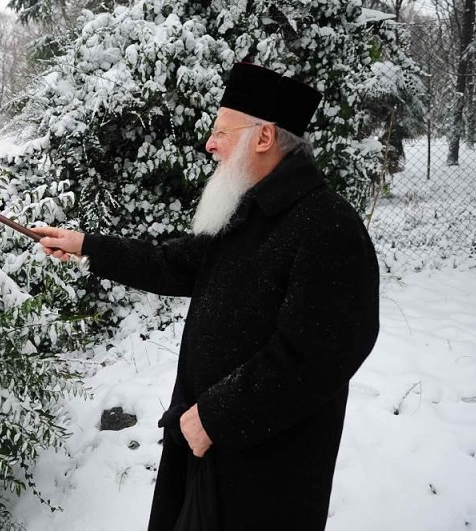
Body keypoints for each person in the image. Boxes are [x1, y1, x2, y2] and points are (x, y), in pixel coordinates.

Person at [33, 63, 380, 531]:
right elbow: (171, 263)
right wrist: (87, 245)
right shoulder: (247, 211)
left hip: (264, 474)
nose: (209, 144)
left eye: (221, 131)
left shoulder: (327, 227)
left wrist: (215, 418)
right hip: (204, 449)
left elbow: (317, 356)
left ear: (262, 138)